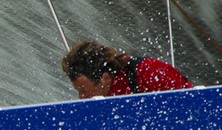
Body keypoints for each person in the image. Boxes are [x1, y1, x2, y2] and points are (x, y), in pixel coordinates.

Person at [61, 40, 193, 98]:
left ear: (105, 79)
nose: (82, 98)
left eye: (84, 91)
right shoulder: (97, 102)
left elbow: (193, 104)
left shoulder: (150, 72)